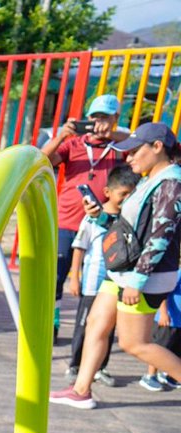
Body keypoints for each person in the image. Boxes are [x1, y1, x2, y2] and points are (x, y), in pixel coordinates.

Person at [51, 123, 181, 409]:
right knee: (96, 323)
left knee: (136, 344)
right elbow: (130, 231)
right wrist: (99, 217)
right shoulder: (150, 179)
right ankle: (81, 390)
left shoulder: (172, 182)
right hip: (124, 271)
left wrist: (138, 279)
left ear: (157, 147)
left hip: (144, 276)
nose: (129, 158)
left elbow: (162, 235)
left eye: (135, 151)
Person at [41, 94, 126, 342]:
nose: (98, 123)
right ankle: (52, 324)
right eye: (94, 118)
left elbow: (134, 142)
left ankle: (93, 330)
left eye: (105, 118)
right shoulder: (74, 144)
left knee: (99, 279)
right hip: (67, 220)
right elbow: (43, 159)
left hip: (102, 224)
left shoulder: (119, 146)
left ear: (115, 119)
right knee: (56, 275)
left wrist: (112, 135)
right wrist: (60, 136)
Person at [64, 165, 139, 386]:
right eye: (122, 194)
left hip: (115, 283)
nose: (126, 199)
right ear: (107, 192)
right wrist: (75, 278)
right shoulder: (92, 217)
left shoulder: (128, 220)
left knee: (107, 327)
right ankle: (75, 365)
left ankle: (100, 367)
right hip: (92, 283)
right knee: (84, 325)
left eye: (130, 194)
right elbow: (80, 247)